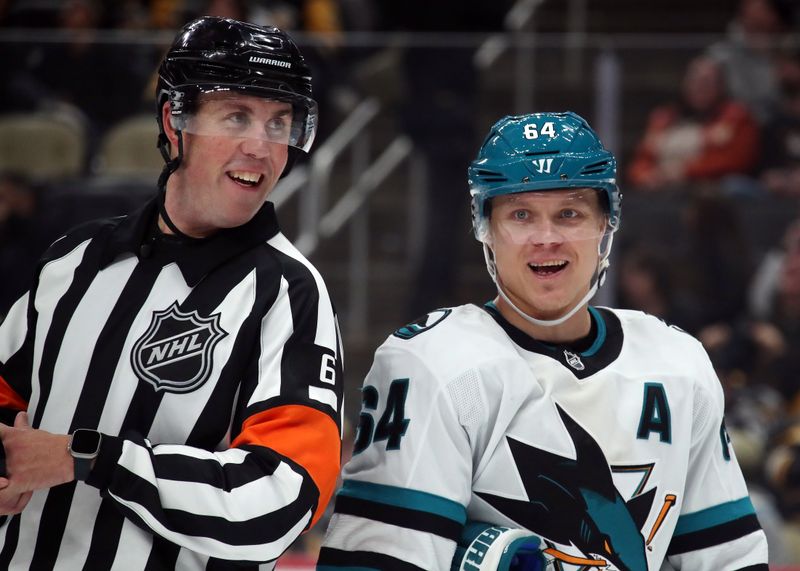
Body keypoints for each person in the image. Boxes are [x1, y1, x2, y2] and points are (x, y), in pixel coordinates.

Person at [317, 112, 768, 570]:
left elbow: (731, 560)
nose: (546, 238)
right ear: (487, 229)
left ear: (606, 224)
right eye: (521, 215)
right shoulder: (430, 364)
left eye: (569, 214)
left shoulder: (677, 362)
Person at [0, 16, 343, 570]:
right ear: (174, 121)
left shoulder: (288, 292)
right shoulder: (74, 260)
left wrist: (89, 458)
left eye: (280, 123)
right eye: (237, 117)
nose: (261, 146)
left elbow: (284, 497)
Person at [627, 55, 760, 191]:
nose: (700, 87)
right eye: (694, 81)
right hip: (664, 189)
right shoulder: (663, 118)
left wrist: (685, 171)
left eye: (707, 82)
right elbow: (641, 160)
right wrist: (646, 176)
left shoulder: (737, 116)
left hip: (714, 191)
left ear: (720, 86)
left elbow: (736, 160)